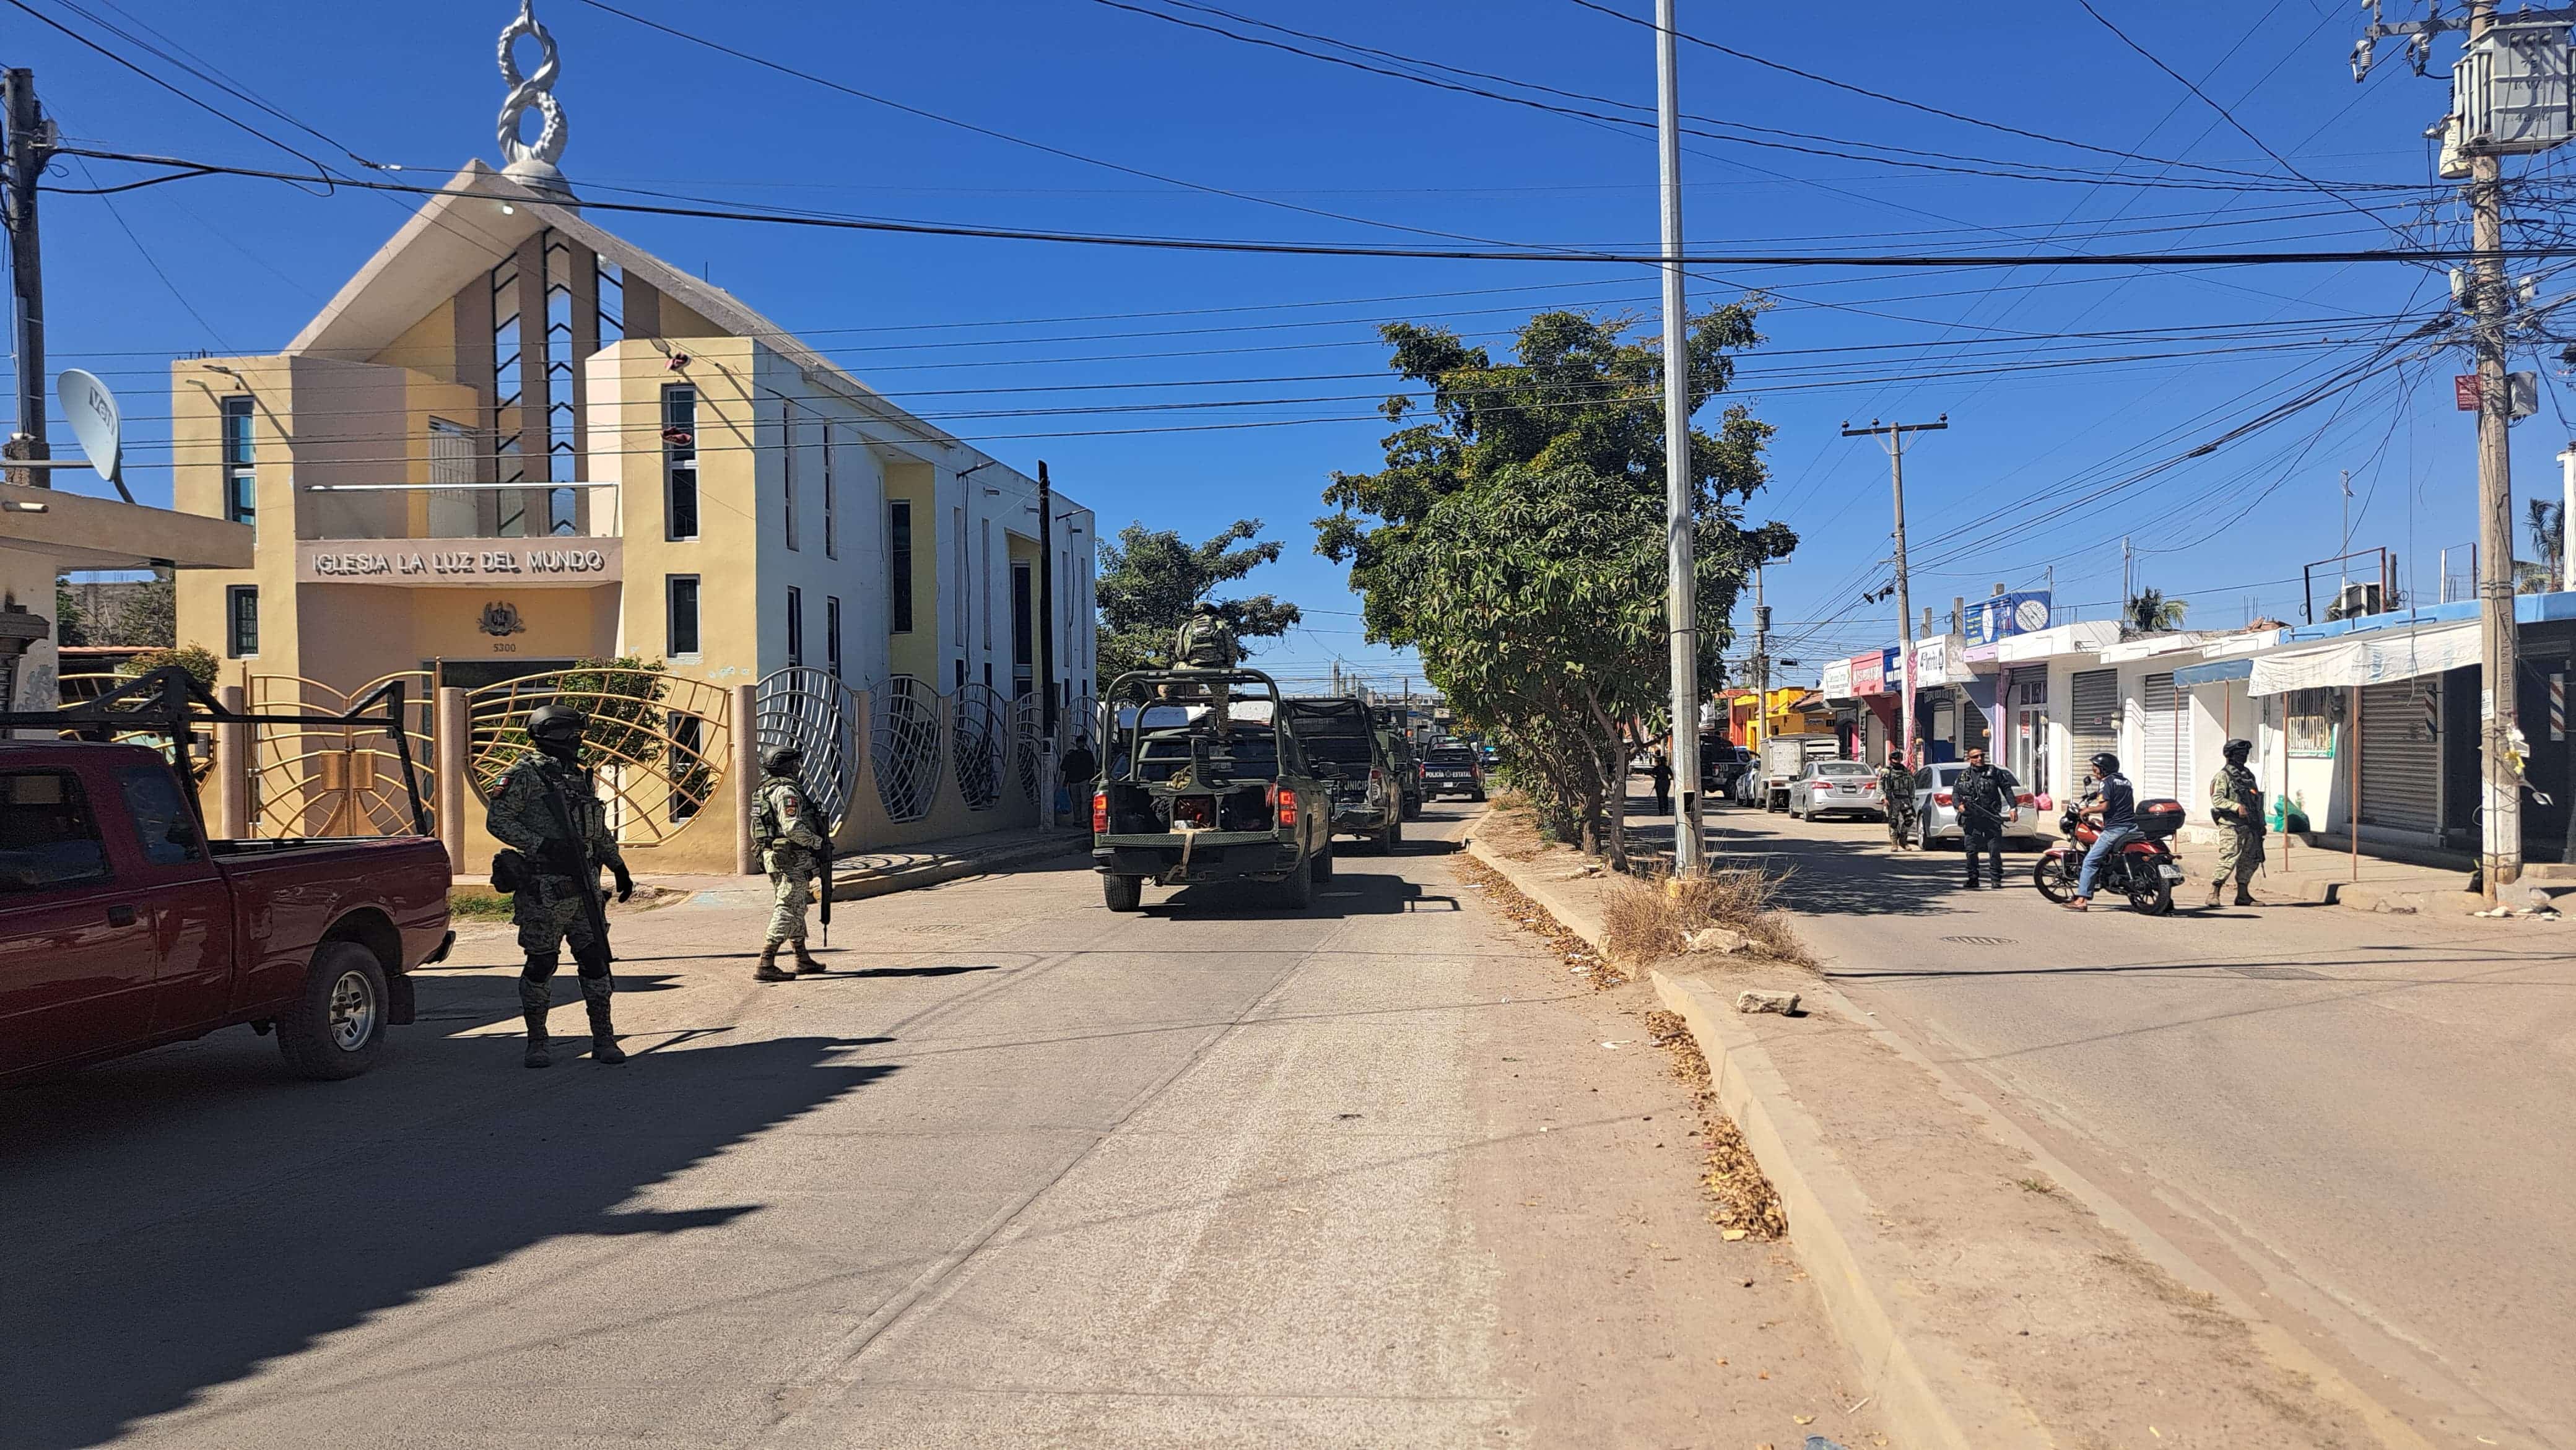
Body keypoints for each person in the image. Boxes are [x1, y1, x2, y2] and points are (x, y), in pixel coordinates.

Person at [489, 704, 633, 1069]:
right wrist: (541, 844)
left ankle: (604, 1038)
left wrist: (617, 865)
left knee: (595, 959)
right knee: (542, 963)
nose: (579, 741)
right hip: (544, 889)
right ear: (557, 734)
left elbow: (596, 829)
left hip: (585, 887)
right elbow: (499, 820)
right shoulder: (525, 775)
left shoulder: (580, 777)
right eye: (574, 734)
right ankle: (537, 1042)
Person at [753, 745, 829, 981]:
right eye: (796, 764)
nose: (798, 768)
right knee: (787, 905)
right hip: (791, 859)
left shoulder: (763, 791)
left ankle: (802, 957)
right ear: (788, 766)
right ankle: (767, 961)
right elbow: (792, 827)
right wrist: (817, 843)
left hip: (774, 856)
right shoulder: (787, 792)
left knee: (796, 904)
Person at [2066, 751, 2138, 911]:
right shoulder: (2126, 782)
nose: (2094, 771)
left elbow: (2105, 806)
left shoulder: (2106, 782)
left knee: (2090, 861)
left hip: (2115, 829)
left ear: (2104, 769)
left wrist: (2086, 811)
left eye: (2096, 768)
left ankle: (2082, 900)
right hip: (2132, 827)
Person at [2206, 737, 2264, 908]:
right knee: (2229, 857)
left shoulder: (2248, 775)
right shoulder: (2223, 776)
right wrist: (2235, 806)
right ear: (2230, 755)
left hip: (2251, 825)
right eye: (2239, 754)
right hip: (2231, 824)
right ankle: (2214, 892)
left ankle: (2243, 895)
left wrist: (2261, 824)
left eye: (2245, 753)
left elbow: (2256, 801)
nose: (2243, 756)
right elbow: (2217, 799)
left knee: (2251, 858)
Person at [1952, 745, 2019, 889]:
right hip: (1971, 818)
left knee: (1994, 850)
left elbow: (2007, 789)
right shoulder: (1964, 775)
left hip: (1990, 817)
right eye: (1975, 756)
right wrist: (1959, 806)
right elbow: (1956, 794)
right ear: (1969, 759)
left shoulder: (1994, 772)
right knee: (1971, 850)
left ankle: (1996, 879)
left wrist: (2013, 808)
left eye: (1981, 756)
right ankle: (1973, 878)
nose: (1980, 759)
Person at [1879, 753, 1917, 849]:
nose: (1898, 761)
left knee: (1910, 819)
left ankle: (1903, 840)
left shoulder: (1906, 771)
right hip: (1893, 799)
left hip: (1905, 799)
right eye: (1895, 759)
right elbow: (1880, 785)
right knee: (1893, 821)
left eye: (1899, 759)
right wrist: (1884, 798)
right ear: (1891, 759)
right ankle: (1894, 843)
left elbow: (1912, 785)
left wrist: (1911, 798)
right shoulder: (1886, 772)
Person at [1060, 731, 1099, 820]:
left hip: (1083, 781)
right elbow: (1063, 768)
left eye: (1082, 743)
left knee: (1083, 801)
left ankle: (1083, 819)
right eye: (1079, 742)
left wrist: (1091, 781)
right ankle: (1078, 819)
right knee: (1077, 802)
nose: (1080, 744)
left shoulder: (1087, 755)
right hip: (1074, 781)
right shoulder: (1072, 754)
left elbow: (1091, 769)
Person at [1648, 752, 1674, 816]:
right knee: (1665, 797)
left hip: (1659, 782)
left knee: (1660, 798)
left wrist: (1656, 778)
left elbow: (1651, 774)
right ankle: (1666, 811)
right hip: (1666, 783)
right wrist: (1669, 779)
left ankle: (1661, 812)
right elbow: (1672, 776)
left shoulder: (1657, 768)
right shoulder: (1667, 768)